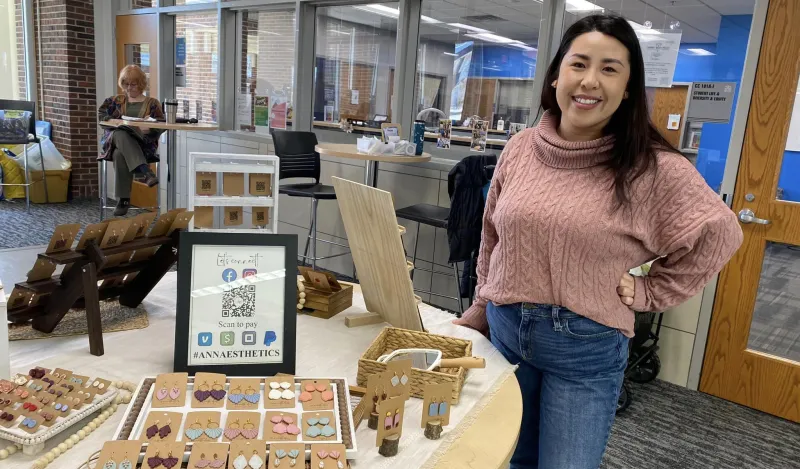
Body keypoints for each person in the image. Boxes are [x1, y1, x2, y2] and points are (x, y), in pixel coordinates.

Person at [453, 14, 743, 469]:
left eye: (610, 69)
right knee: (514, 458)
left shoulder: (652, 169)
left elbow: (719, 232)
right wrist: (479, 308)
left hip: (584, 350)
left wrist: (652, 290)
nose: (589, 81)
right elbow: (493, 237)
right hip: (506, 331)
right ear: (555, 75)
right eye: (579, 64)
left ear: (628, 87)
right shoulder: (521, 147)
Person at [98, 64, 163, 216]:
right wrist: (113, 122)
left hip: (142, 145)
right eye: (126, 84)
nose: (129, 88)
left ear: (141, 84)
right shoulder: (113, 101)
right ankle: (145, 172)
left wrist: (147, 127)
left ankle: (123, 200)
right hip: (114, 141)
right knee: (120, 132)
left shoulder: (152, 103)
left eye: (133, 84)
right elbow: (102, 118)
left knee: (120, 154)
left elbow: (161, 124)